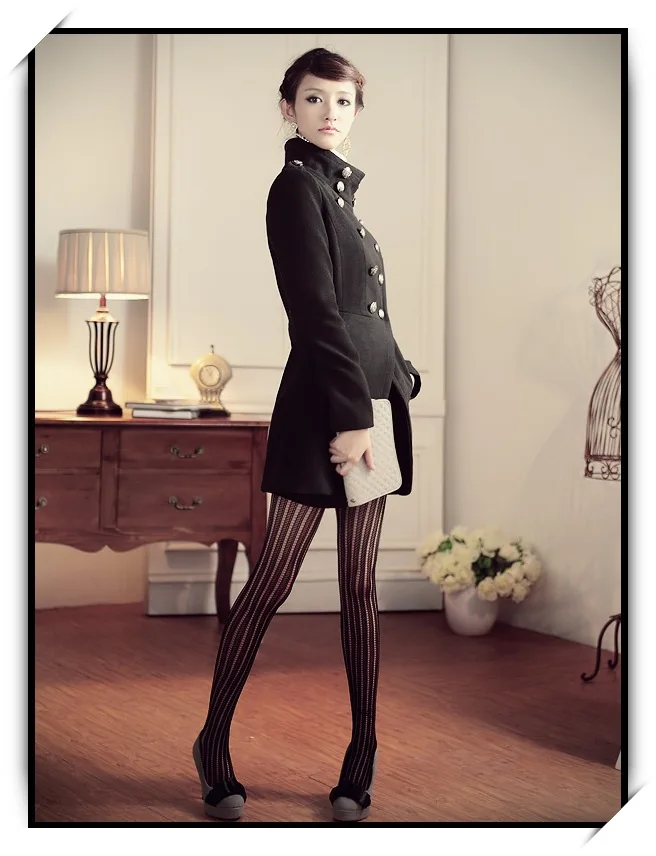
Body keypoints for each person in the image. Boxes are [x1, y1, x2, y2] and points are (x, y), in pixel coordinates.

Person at [193, 46, 422, 823]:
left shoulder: (340, 195)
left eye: (343, 101)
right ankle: (212, 744)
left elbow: (364, 311)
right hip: (327, 411)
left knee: (360, 587)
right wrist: (353, 417)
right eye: (315, 98)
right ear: (287, 107)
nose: (330, 112)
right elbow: (314, 311)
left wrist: (400, 372)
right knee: (272, 583)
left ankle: (363, 753)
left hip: (372, 404)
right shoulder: (294, 188)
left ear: (356, 112)